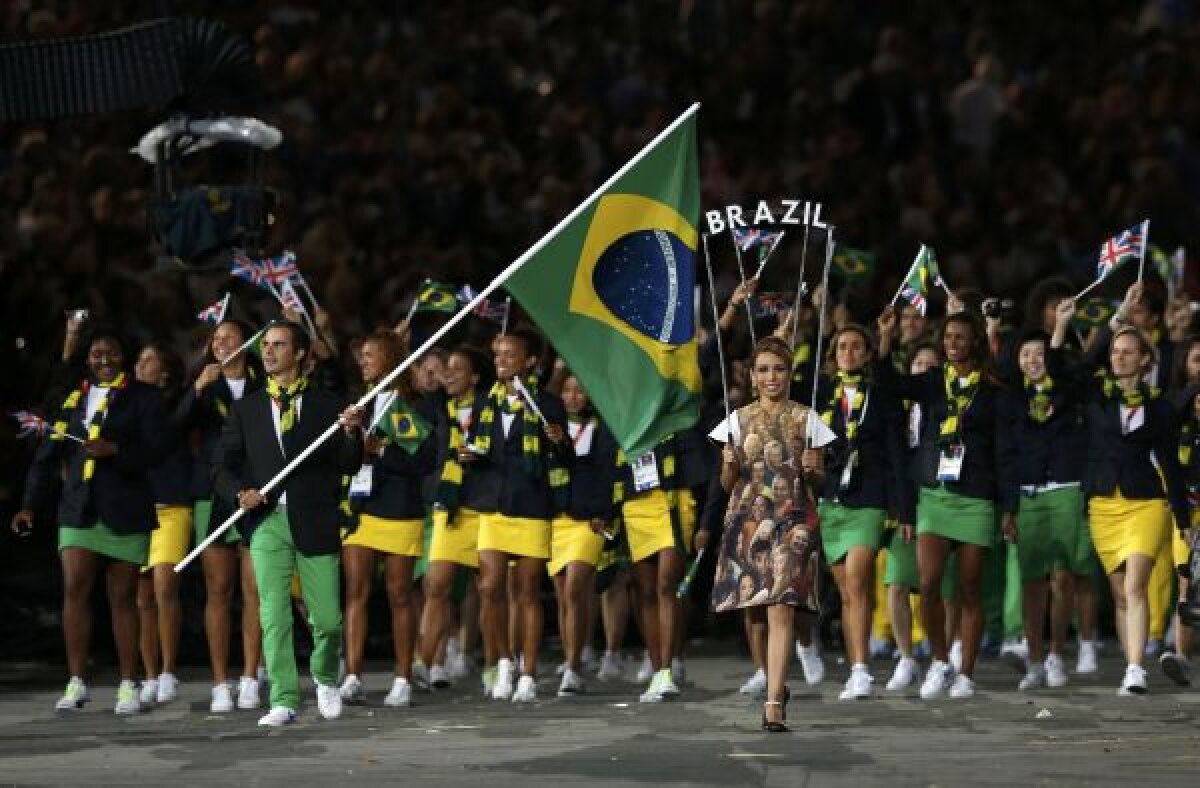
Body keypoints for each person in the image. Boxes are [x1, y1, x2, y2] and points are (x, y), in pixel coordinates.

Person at [213, 320, 364, 726]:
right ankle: (283, 698)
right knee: (273, 614)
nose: (269, 351)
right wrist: (240, 493)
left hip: (315, 518)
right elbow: (222, 467)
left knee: (328, 620)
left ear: (300, 354)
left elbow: (348, 464)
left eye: (279, 345)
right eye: (266, 345)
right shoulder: (247, 409)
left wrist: (352, 433)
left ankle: (326, 679)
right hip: (267, 522)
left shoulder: (327, 404)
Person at [12, 330, 167, 714]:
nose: (104, 359)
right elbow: (47, 456)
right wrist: (29, 505)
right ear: (88, 360)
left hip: (126, 509)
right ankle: (76, 681)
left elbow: (158, 449)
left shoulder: (145, 397)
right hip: (77, 508)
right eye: (97, 354)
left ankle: (128, 683)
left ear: (123, 356)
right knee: (75, 589)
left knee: (122, 597)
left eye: (111, 353)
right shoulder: (73, 399)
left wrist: (116, 450)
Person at [1052, 297, 1193, 695]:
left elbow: (1170, 465)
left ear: (1146, 360)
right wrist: (1078, 325)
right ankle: (1133, 659)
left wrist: (1182, 521)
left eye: (1129, 352)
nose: (1119, 357)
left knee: (1135, 586)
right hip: (1103, 505)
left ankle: (1134, 668)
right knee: (1119, 594)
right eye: (1115, 351)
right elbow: (1064, 370)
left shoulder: (1159, 407)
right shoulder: (1098, 395)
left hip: (1146, 503)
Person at [877, 306, 1014, 699]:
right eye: (948, 337)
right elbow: (890, 385)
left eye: (960, 337)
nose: (952, 344)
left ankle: (966, 673)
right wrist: (885, 339)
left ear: (975, 342)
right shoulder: (934, 381)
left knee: (969, 589)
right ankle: (939, 661)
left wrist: (1009, 508)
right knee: (928, 583)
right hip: (935, 494)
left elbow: (1004, 452)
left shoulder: (993, 389)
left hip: (976, 497)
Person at [709, 336, 825, 731]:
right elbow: (726, 484)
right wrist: (729, 464)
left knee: (782, 606)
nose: (771, 376)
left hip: (794, 518)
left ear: (790, 373)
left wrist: (814, 467)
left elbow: (820, 482)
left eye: (779, 368)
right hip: (747, 518)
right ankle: (773, 680)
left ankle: (773, 702)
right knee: (755, 611)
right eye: (763, 370)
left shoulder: (808, 418)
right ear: (753, 376)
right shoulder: (736, 420)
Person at [460, 328, 568, 703]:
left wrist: (559, 441)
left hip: (532, 507)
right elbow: (478, 447)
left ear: (530, 361)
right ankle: (503, 662)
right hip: (493, 506)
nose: (501, 360)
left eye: (510, 354)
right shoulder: (484, 402)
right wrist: (468, 455)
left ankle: (529, 673)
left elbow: (565, 457)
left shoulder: (547, 404)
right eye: (498, 354)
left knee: (527, 593)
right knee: (490, 588)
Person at [338, 331, 439, 707]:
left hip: (400, 509)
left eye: (370, 355)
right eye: (361, 355)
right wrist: (352, 439)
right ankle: (352, 676)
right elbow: (342, 457)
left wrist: (380, 453)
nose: (362, 361)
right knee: (356, 592)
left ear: (391, 359)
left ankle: (402, 678)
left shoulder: (416, 406)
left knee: (400, 595)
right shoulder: (358, 404)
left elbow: (424, 461)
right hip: (361, 509)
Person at [813, 325, 912, 700]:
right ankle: (858, 665)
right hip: (832, 501)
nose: (848, 352)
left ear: (869, 354)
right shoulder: (822, 394)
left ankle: (860, 671)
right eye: (842, 346)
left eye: (857, 346)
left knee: (857, 582)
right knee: (846, 592)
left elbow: (898, 454)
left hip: (871, 498)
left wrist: (904, 510)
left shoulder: (881, 396)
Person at [997, 308, 1092, 691]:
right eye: (1026, 354)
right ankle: (1035, 661)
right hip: (1028, 494)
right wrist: (1008, 507)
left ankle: (1056, 654)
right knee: (1032, 581)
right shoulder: (1010, 399)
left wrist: (1061, 330)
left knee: (1063, 576)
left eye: (1039, 354)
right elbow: (1005, 456)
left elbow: (1066, 371)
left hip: (1065, 488)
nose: (1033, 360)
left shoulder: (1065, 388)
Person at [186, 318, 265, 712]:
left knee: (255, 591)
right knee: (218, 590)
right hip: (213, 493)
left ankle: (250, 677)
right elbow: (173, 428)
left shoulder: (262, 384)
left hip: (255, 492)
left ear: (246, 343)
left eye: (228, 337)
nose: (220, 343)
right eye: (215, 338)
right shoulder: (205, 384)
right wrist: (196, 389)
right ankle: (220, 683)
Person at [419, 345, 492, 693]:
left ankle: (496, 664)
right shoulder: (439, 410)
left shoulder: (491, 407)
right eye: (446, 368)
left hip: (487, 507)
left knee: (491, 590)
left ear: (475, 377)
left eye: (457, 369)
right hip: (451, 507)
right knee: (436, 585)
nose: (448, 374)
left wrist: (482, 457)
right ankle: (424, 665)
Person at [549, 373, 617, 696]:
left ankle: (574, 667)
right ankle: (571, 658)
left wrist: (605, 514)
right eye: (566, 390)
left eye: (579, 390)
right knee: (564, 597)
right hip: (556, 520)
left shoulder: (603, 429)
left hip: (590, 521)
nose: (573, 396)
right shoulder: (551, 429)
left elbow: (609, 474)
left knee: (575, 589)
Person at [131, 341, 192, 707]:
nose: (140, 365)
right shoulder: (125, 405)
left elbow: (170, 431)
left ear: (166, 372)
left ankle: (169, 671)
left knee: (165, 586)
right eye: (138, 359)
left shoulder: (176, 404)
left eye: (149, 359)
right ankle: (150, 675)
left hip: (171, 507)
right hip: (136, 509)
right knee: (141, 598)